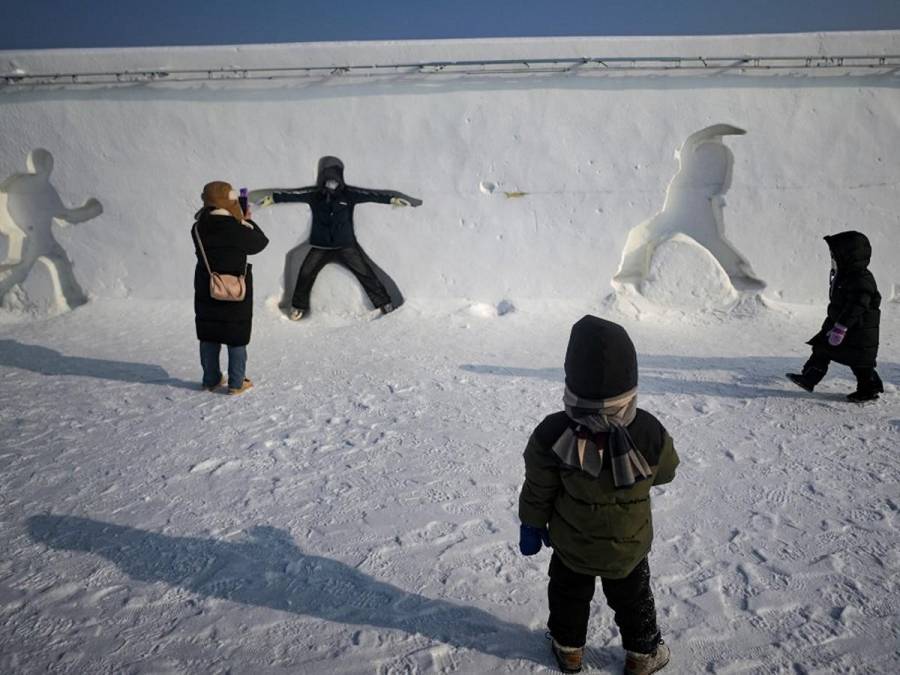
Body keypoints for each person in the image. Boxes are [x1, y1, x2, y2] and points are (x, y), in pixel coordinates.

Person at [518, 316, 679, 675]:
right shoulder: (649, 431)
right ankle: (643, 655)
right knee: (634, 600)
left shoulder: (554, 432)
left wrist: (531, 522)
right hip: (629, 546)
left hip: (571, 544)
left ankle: (568, 650)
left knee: (568, 597)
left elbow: (538, 485)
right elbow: (666, 472)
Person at [250, 156, 422, 320]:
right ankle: (298, 307)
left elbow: (372, 195)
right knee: (306, 274)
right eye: (328, 179)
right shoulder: (315, 195)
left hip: (346, 245)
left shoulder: (349, 195)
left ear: (340, 179)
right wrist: (272, 198)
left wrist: (393, 199)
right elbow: (293, 195)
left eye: (334, 179)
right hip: (320, 246)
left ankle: (385, 304)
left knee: (366, 273)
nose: (331, 182)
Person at [787, 231, 883, 402]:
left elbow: (857, 306)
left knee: (861, 363)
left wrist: (841, 327)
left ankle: (869, 389)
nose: (832, 257)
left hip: (858, 331)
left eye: (835, 254)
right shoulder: (845, 274)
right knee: (821, 349)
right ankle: (808, 379)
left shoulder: (861, 280)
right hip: (840, 325)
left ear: (849, 256)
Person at [192, 181, 269, 395]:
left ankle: (210, 379)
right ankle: (236, 382)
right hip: (236, 288)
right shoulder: (236, 227)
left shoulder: (198, 227)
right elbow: (260, 243)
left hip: (207, 285)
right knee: (236, 334)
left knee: (209, 332)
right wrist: (245, 220)